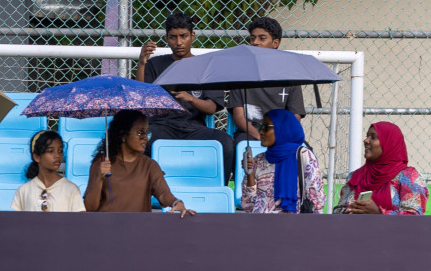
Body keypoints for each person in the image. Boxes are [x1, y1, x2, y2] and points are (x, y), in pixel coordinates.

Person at [135, 12, 236, 181]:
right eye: (173, 37)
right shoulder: (155, 64)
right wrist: (141, 63)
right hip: (161, 125)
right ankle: (141, 189)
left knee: (225, 141)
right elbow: (141, 99)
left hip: (193, 127)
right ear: (167, 38)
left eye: (183, 36)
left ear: (192, 36)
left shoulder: (206, 66)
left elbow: (211, 108)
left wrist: (190, 99)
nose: (179, 42)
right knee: (138, 139)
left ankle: (219, 189)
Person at [84, 110, 195, 215]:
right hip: (106, 229)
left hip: (138, 229)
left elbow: (163, 194)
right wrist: (99, 178)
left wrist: (176, 202)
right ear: (123, 135)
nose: (145, 138)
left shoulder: (150, 165)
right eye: (140, 133)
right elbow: (90, 208)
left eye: (147, 133)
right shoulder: (102, 162)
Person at [227, 16, 308, 145]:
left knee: (305, 151)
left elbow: (295, 116)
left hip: (281, 133)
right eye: (252, 38)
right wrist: (259, 135)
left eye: (262, 38)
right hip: (249, 134)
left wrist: (278, 134)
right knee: (238, 147)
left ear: (275, 43)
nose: (255, 42)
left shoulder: (290, 77)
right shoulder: (241, 75)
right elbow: (238, 116)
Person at [241, 108, 324, 214]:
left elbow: (317, 200)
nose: (260, 131)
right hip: (261, 225)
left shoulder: (302, 155)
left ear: (283, 128)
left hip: (294, 225)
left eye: (266, 127)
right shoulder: (258, 160)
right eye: (260, 126)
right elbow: (248, 206)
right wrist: (250, 176)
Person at [336, 121, 429, 215]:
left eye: (373, 137)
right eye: (367, 136)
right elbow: (337, 212)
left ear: (389, 143)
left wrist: (378, 213)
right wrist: (349, 212)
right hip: (354, 229)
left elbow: (414, 217)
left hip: (390, 230)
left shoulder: (408, 176)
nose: (366, 140)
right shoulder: (355, 176)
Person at [13, 130, 85, 212]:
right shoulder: (24, 190)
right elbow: (18, 222)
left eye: (60, 151)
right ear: (37, 157)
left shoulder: (71, 189)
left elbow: (79, 222)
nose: (57, 155)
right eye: (50, 151)